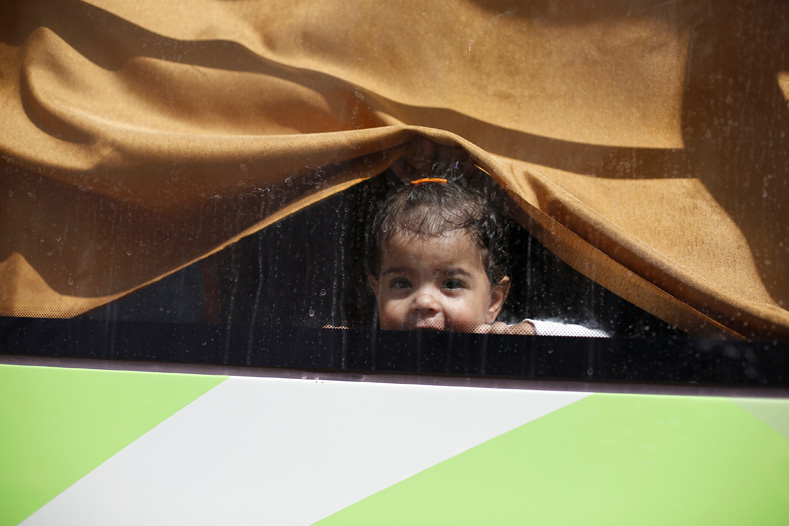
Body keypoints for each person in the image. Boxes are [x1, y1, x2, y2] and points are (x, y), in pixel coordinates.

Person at [365, 166, 608, 337]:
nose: (424, 301)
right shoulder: (366, 357)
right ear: (378, 292)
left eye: (451, 283)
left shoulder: (494, 351)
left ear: (493, 301)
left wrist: (531, 333)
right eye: (400, 283)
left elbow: (600, 344)